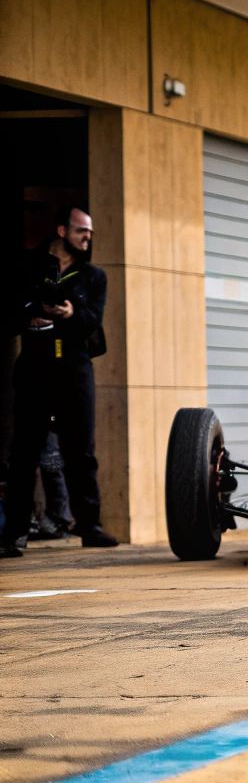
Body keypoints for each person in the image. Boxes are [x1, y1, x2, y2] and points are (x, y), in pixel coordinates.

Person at [3, 207, 116, 557]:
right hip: (35, 366)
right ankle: (14, 534)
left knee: (81, 452)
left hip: (74, 368)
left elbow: (93, 320)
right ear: (62, 230)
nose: (88, 237)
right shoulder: (28, 265)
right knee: (24, 453)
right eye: (82, 230)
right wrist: (32, 314)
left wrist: (70, 313)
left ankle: (89, 526)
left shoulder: (93, 276)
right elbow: (10, 310)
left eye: (90, 232)